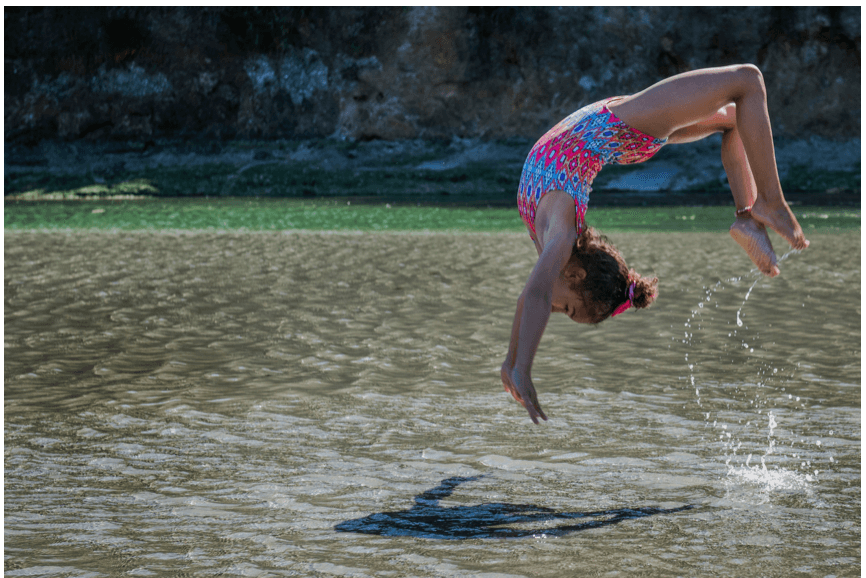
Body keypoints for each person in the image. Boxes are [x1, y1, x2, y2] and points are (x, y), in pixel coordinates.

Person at [501, 64, 810, 424]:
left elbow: (531, 297)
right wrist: (519, 366)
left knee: (740, 101)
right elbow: (535, 297)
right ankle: (758, 209)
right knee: (745, 86)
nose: (554, 311)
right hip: (622, 128)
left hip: (618, 129)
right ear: (578, 276)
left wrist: (514, 363)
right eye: (566, 310)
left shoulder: (556, 241)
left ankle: (757, 211)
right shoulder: (560, 237)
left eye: (566, 311)